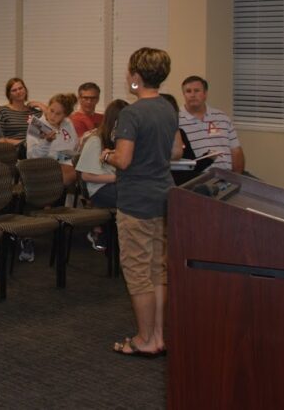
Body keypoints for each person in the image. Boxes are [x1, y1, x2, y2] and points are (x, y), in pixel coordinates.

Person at [101, 48, 180, 358]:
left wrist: (107, 154)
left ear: (135, 77)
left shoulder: (131, 114)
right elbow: (175, 152)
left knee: (136, 271)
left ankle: (145, 338)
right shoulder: (168, 108)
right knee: (159, 270)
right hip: (165, 197)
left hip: (137, 202)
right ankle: (160, 335)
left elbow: (124, 159)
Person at [75, 99, 128, 250]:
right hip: (100, 188)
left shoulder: (122, 141)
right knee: (133, 198)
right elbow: (86, 176)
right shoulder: (95, 141)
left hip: (115, 185)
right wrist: (116, 178)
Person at [178, 75, 245, 174]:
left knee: (262, 188)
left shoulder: (222, 117)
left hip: (229, 175)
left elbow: (236, 151)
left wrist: (236, 179)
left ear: (205, 94)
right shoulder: (176, 121)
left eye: (196, 91)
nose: (192, 95)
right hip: (200, 177)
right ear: (184, 95)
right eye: (188, 91)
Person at [25, 93, 79, 185]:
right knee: (79, 175)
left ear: (65, 115)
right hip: (42, 166)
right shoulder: (37, 125)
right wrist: (46, 142)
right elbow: (32, 156)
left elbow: (73, 145)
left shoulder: (68, 123)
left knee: (86, 171)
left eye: (58, 114)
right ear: (48, 107)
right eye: (51, 110)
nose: (53, 116)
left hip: (66, 163)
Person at [0, 78, 46, 150]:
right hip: (13, 150)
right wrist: (23, 143)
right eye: (14, 90)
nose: (18, 92)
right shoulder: (3, 111)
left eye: (20, 88)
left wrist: (40, 104)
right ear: (9, 94)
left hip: (34, 150)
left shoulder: (34, 112)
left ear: (25, 90)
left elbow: (52, 122)